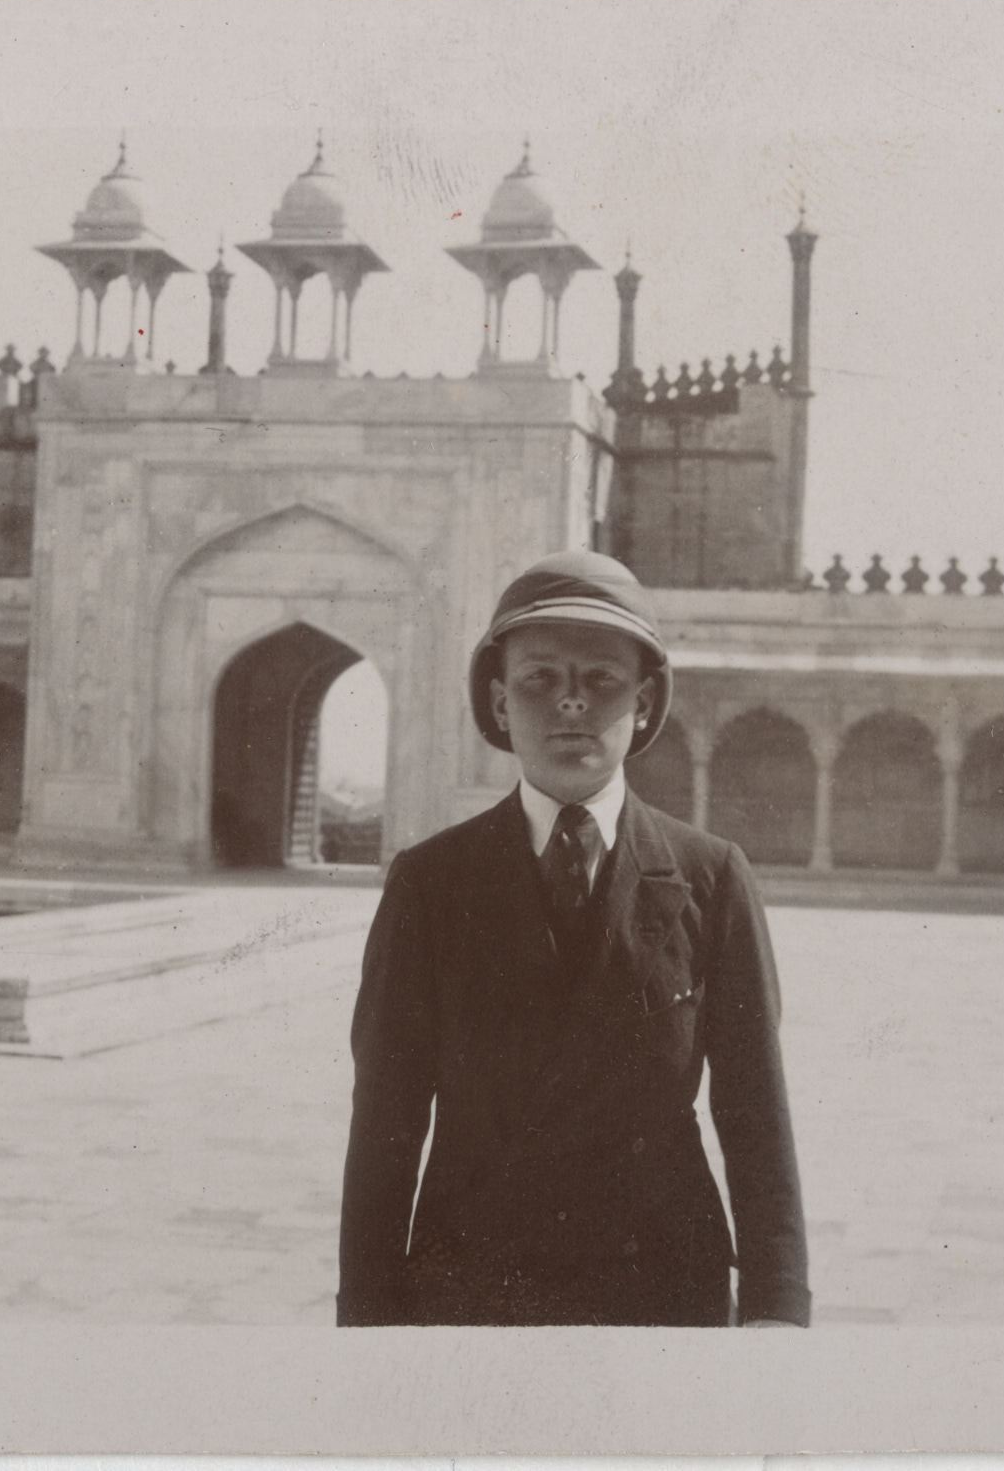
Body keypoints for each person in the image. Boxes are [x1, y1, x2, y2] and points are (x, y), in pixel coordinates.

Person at [336, 550, 809, 1327]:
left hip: (659, 1294)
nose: (570, 702)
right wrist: (368, 1316)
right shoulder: (432, 882)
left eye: (601, 680)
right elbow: (387, 1120)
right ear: (499, 701)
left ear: (645, 703)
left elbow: (755, 1110)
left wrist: (776, 1304)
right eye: (539, 679)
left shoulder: (710, 876)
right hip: (477, 1290)